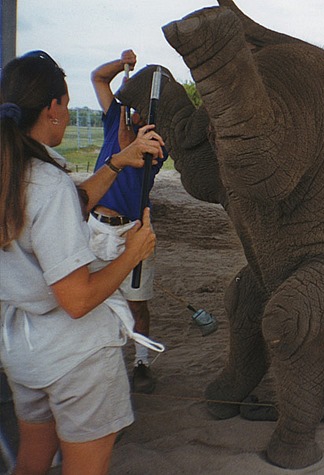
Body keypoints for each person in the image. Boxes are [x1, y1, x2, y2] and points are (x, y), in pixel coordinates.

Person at [0, 51, 164, 474]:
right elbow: (77, 299)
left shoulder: (12, 171)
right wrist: (132, 253)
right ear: (52, 108)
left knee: (32, 457)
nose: (70, 114)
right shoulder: (48, 183)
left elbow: (69, 201)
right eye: (68, 104)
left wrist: (115, 163)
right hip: (76, 360)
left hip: (24, 349)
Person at [90, 49, 167, 394]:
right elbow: (98, 77)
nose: (136, 113)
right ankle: (100, 362)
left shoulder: (153, 145)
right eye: (133, 108)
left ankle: (141, 363)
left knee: (137, 302)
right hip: (96, 226)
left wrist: (124, 106)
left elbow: (128, 148)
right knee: (93, 296)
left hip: (131, 230)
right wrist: (123, 66)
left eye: (141, 111)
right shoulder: (114, 120)